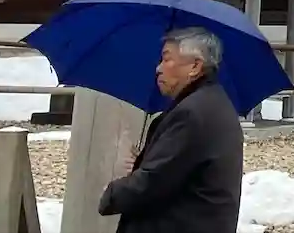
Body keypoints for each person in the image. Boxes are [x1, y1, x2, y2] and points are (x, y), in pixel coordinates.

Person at [97, 27, 243, 233]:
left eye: (167, 59)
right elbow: (178, 166)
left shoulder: (192, 113)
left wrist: (112, 194)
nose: (158, 68)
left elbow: (155, 180)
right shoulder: (210, 102)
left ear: (195, 66)